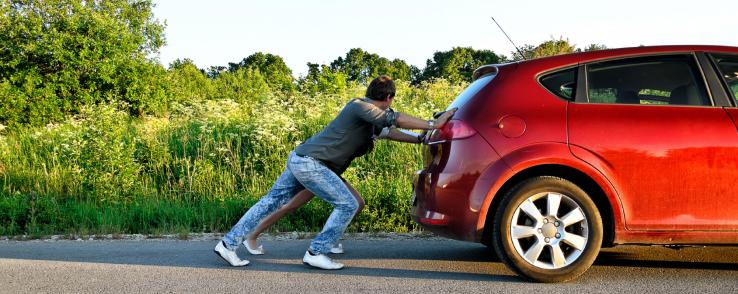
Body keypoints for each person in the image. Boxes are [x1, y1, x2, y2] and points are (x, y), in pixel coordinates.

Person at [214, 75, 457, 269]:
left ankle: (228, 244)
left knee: (271, 202)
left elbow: (389, 132)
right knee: (348, 204)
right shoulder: (359, 106)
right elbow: (394, 120)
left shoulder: (368, 116)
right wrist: (434, 124)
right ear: (390, 97)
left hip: (304, 160)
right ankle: (316, 252)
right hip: (312, 163)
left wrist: (419, 139)